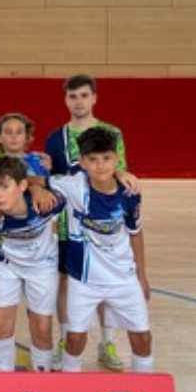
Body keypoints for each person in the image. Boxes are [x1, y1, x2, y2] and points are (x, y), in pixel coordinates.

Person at [44, 74, 131, 371]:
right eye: (72, 96)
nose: (78, 101)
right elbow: (53, 185)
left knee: (107, 280)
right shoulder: (56, 138)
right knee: (66, 281)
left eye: (83, 95)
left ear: (94, 98)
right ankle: (66, 340)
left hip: (107, 224)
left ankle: (107, 341)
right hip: (70, 226)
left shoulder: (112, 133)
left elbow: (121, 173)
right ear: (65, 100)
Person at [47, 128, 153, 373]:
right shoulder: (74, 186)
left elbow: (136, 233)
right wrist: (37, 188)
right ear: (83, 162)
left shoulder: (130, 192)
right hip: (84, 281)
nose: (100, 165)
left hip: (123, 278)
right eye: (92, 160)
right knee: (74, 340)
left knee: (143, 339)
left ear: (117, 159)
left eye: (106, 158)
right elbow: (38, 180)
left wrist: (142, 275)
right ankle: (68, 390)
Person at [0, 112, 51, 368]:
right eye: (7, 132)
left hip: (34, 235)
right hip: (0, 235)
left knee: (39, 302)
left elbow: (46, 183)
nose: (13, 136)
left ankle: (37, 333)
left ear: (28, 136)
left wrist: (38, 186)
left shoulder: (37, 161)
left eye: (19, 132)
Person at [0, 156, 65, 372]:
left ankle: (42, 376)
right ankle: (4, 376)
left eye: (4, 187)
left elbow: (77, 183)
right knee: (1, 323)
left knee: (42, 326)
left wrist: (38, 188)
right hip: (6, 266)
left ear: (22, 185)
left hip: (42, 268)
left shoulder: (48, 203)